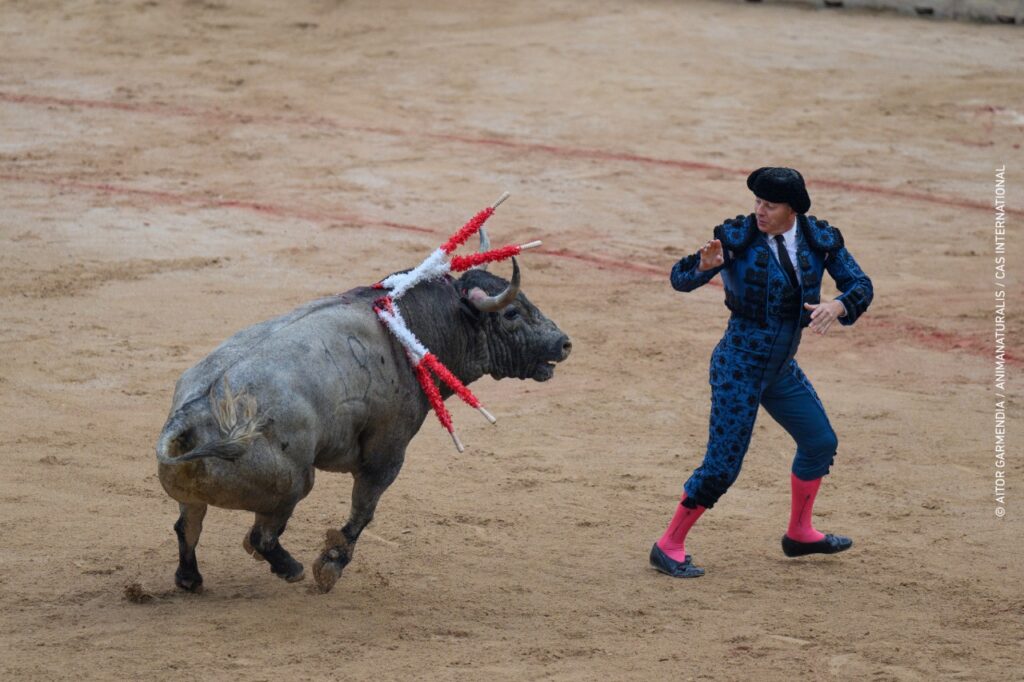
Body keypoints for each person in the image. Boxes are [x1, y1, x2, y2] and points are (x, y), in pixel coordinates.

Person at [650, 167, 873, 578]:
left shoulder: (819, 239)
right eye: (757, 202)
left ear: (793, 209)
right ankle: (668, 544)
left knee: (820, 442)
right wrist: (703, 268)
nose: (759, 211)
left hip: (780, 369)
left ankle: (800, 533)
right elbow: (679, 278)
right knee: (722, 465)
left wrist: (838, 305)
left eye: (769, 205)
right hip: (738, 365)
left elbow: (861, 284)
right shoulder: (736, 238)